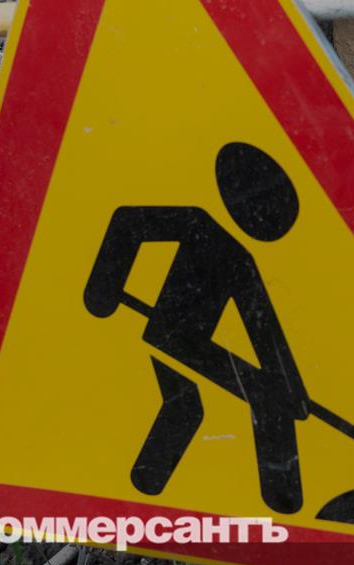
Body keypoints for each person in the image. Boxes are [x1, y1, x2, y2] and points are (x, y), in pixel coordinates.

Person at [84, 142, 309, 514]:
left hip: (192, 345)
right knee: (193, 405)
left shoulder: (242, 260)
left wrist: (293, 390)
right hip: (167, 334)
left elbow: (265, 333)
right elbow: (127, 222)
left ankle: (281, 495)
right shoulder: (196, 222)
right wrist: (102, 289)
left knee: (246, 398)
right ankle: (278, 492)